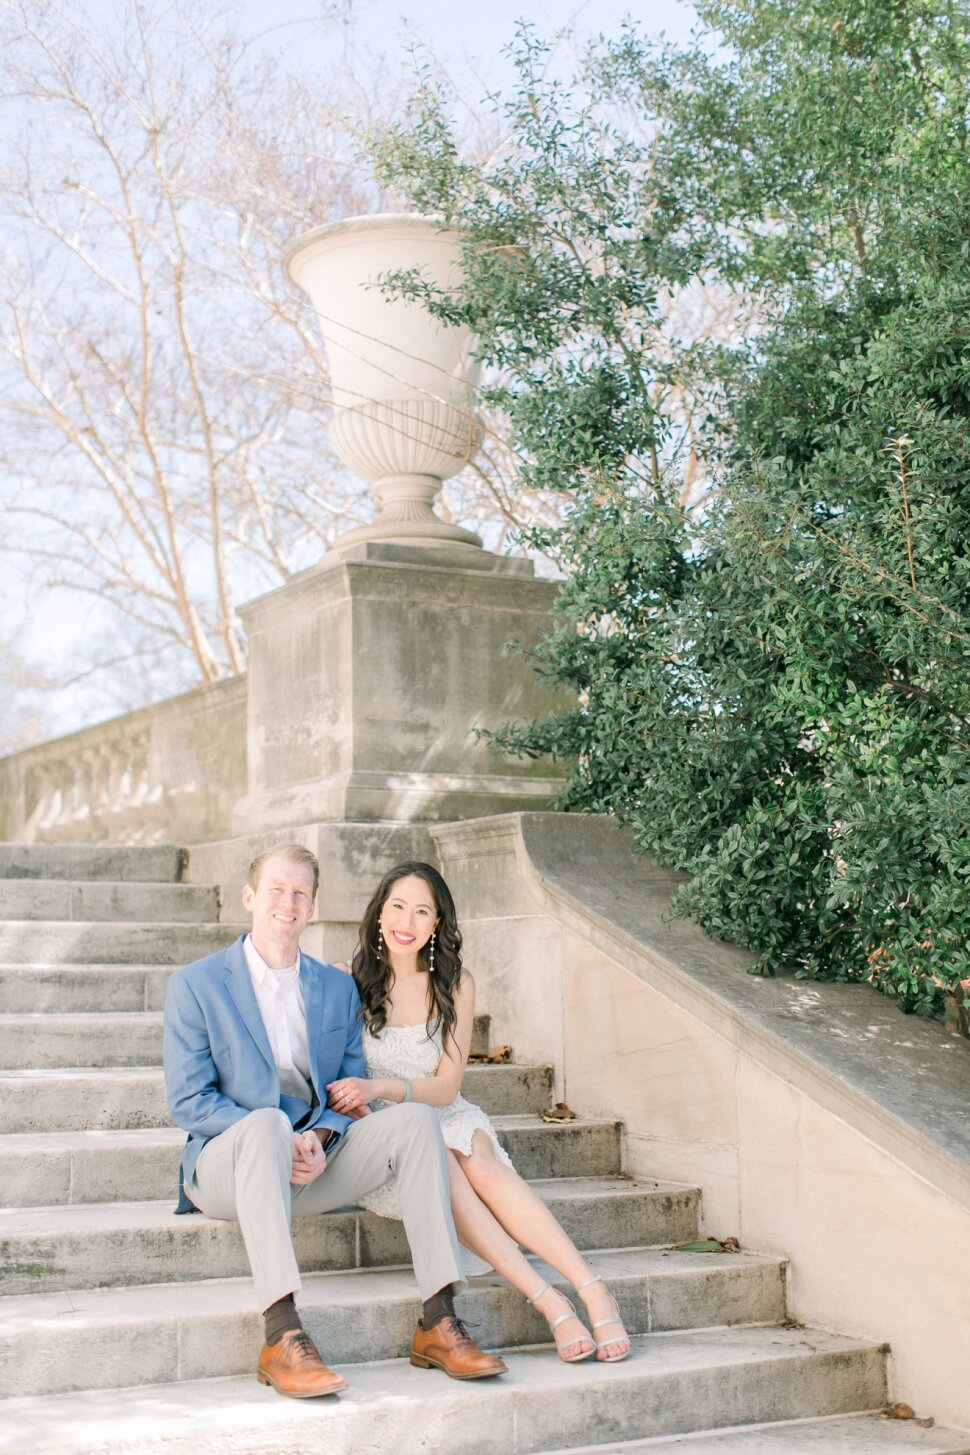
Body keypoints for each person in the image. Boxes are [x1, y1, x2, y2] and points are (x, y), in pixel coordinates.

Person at [162, 843, 506, 1400]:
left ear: (314, 905)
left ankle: (438, 1321)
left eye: (300, 892)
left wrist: (320, 1136)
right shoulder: (196, 985)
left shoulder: (335, 987)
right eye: (276, 889)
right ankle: (282, 1334)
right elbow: (189, 1101)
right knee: (267, 1124)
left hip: (310, 1163)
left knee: (417, 1120)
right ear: (250, 897)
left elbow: (342, 1092)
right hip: (227, 1168)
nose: (287, 902)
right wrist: (278, 1134)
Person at [327, 861, 632, 1365]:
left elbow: (447, 1089)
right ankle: (549, 1300)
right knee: (441, 1162)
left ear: (437, 924)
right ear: (379, 913)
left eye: (422, 911)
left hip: (443, 1112)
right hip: (385, 1132)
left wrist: (377, 1083)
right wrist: (363, 1099)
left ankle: (592, 1288)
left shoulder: (455, 983)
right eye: (398, 905)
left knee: (478, 1159)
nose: (407, 920)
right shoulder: (346, 981)